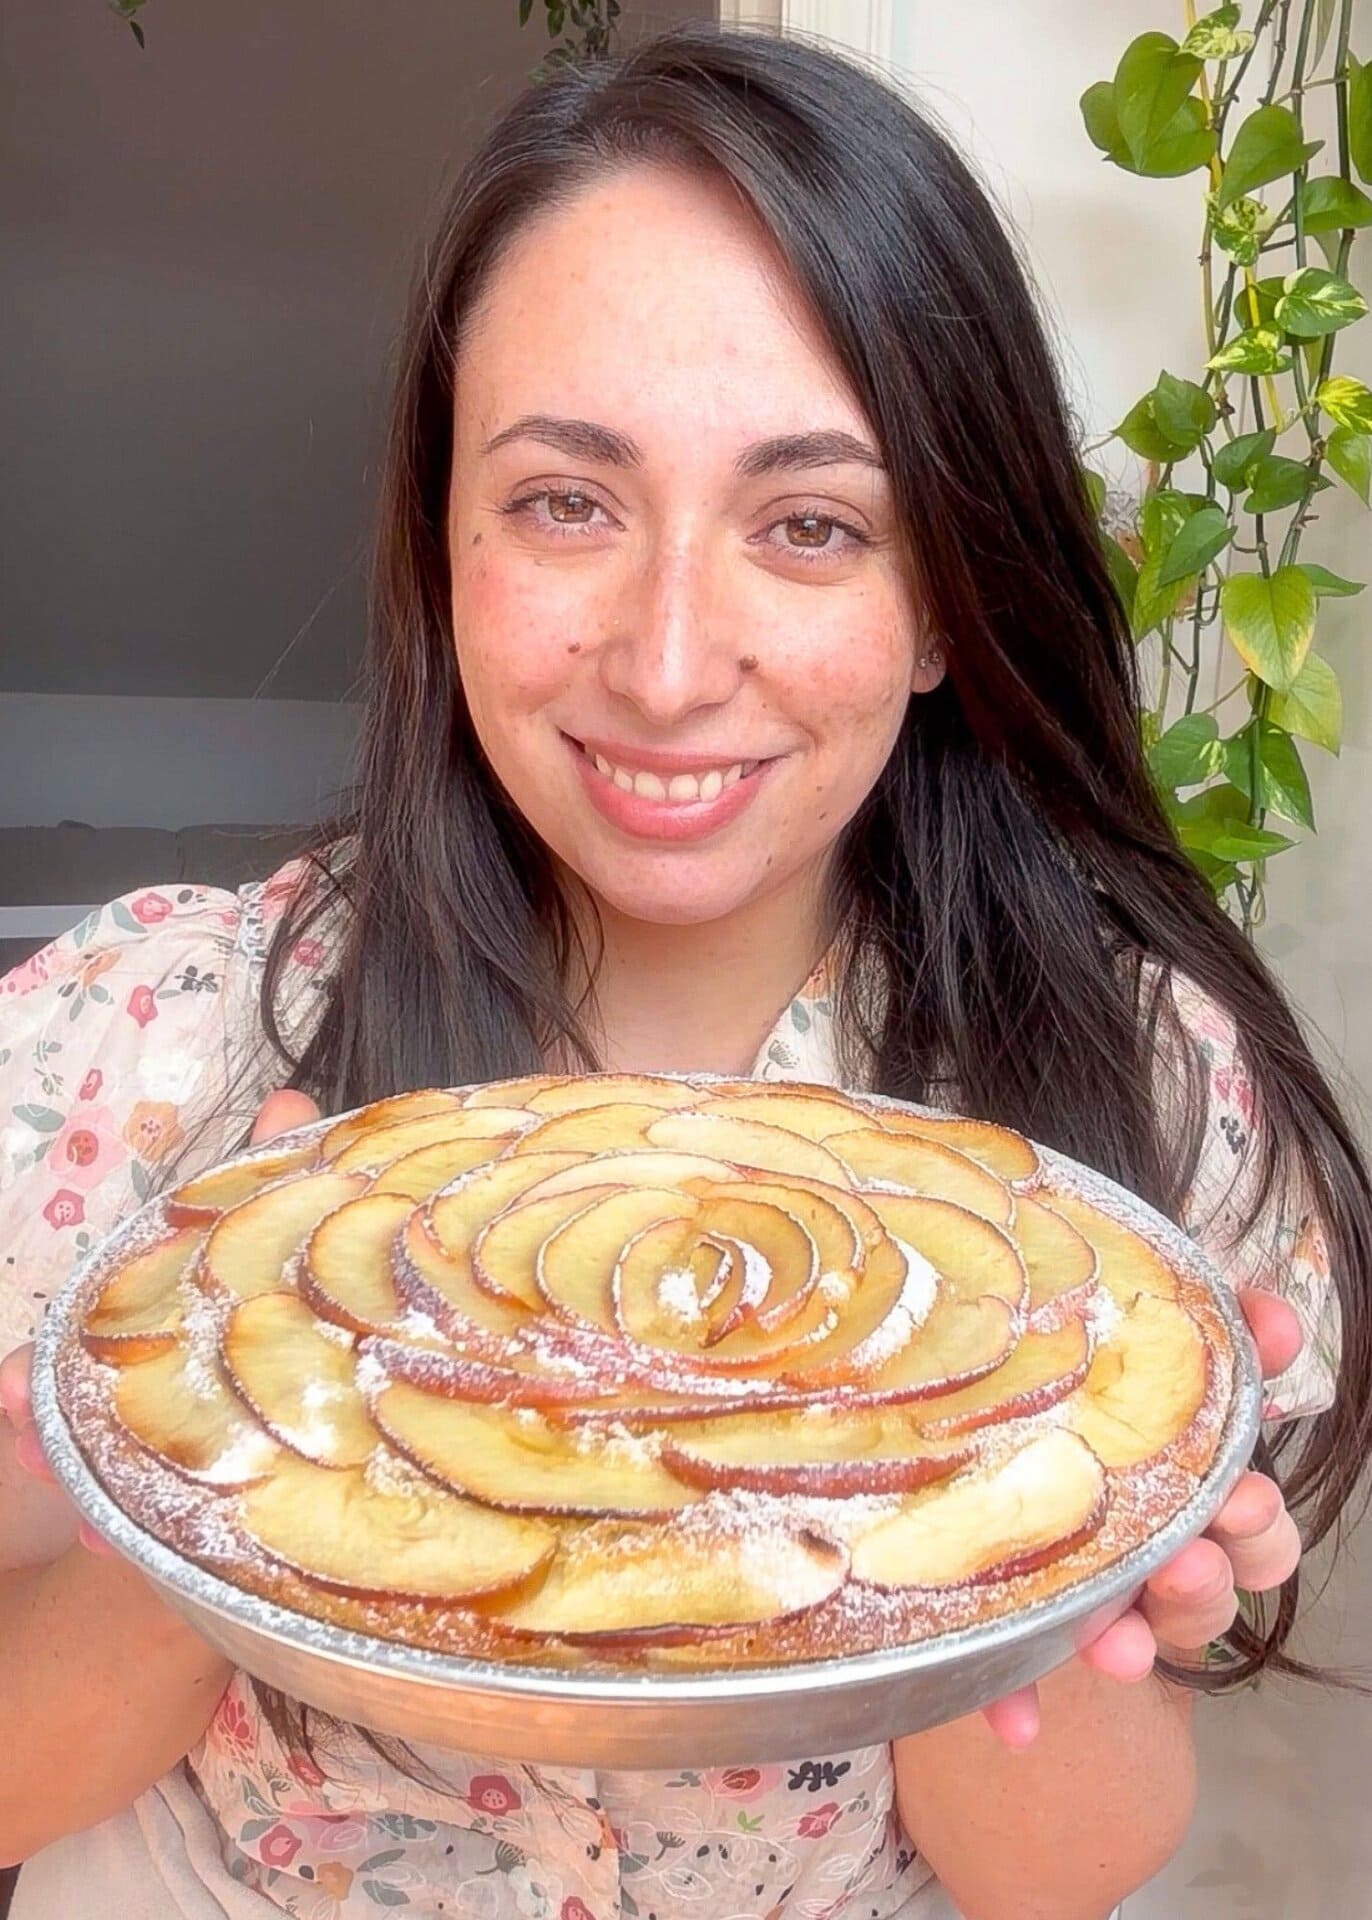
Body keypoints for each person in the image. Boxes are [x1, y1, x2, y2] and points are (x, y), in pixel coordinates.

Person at [0, 24, 1365, 1920]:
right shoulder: (141, 1059)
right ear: (446, 536)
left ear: (943, 605)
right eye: (567, 500)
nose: (664, 662)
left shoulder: (1120, 1149)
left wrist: (1002, 1571)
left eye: (812, 525)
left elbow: (1059, 1875)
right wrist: (228, 1473)